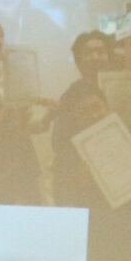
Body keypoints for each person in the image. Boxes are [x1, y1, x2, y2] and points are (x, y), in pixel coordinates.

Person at [47, 33, 119, 211]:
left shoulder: (125, 89)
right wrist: (75, 171)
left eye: (101, 51)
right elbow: (61, 143)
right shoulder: (69, 97)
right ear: (78, 61)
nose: (95, 57)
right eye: (88, 52)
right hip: (87, 180)